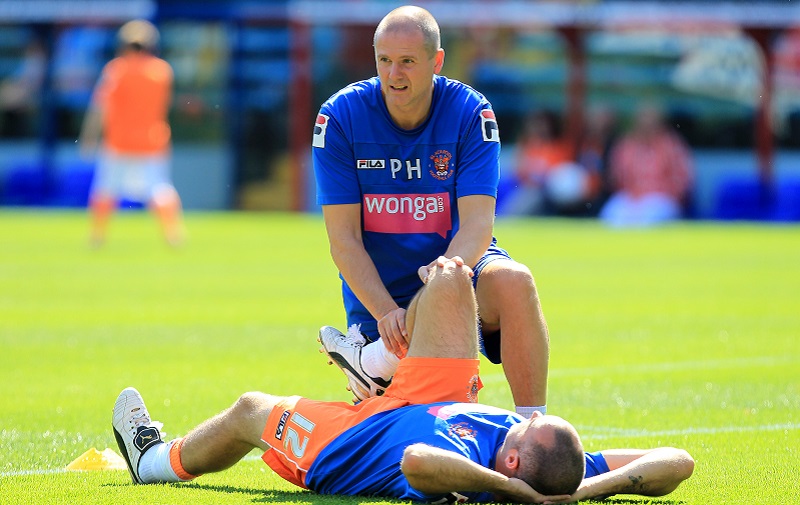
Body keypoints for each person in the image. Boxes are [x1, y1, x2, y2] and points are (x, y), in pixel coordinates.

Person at [112, 257, 694, 502]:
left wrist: (515, 493)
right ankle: (376, 367)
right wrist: (574, 492)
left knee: (248, 409)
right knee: (449, 279)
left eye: (522, 431)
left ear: (511, 464)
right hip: (431, 398)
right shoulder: (558, 468)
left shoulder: (462, 464)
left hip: (353, 440)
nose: (524, 420)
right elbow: (678, 460)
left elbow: (416, 459)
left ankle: (155, 460)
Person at [312, 5, 549, 419]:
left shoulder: (471, 113)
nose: (393, 75)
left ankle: (535, 430)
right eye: (384, 61)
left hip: (455, 270)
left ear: (436, 61)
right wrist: (387, 312)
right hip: (381, 302)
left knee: (514, 280)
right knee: (423, 431)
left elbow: (477, 225)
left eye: (407, 62)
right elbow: (343, 241)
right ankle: (379, 358)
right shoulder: (340, 117)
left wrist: (443, 279)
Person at [78, 19, 184, 247]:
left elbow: (100, 107)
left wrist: (89, 137)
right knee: (160, 189)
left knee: (106, 189)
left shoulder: (116, 70)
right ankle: (173, 234)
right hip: (153, 141)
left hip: (119, 142)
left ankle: (97, 236)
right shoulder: (162, 71)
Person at [599, 103, 693, 227]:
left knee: (647, 217)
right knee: (611, 214)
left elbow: (682, 182)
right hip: (631, 198)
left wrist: (653, 193)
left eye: (650, 120)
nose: (646, 124)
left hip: (661, 199)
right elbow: (616, 178)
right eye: (642, 119)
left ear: (660, 122)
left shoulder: (672, 145)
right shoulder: (626, 144)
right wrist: (634, 195)